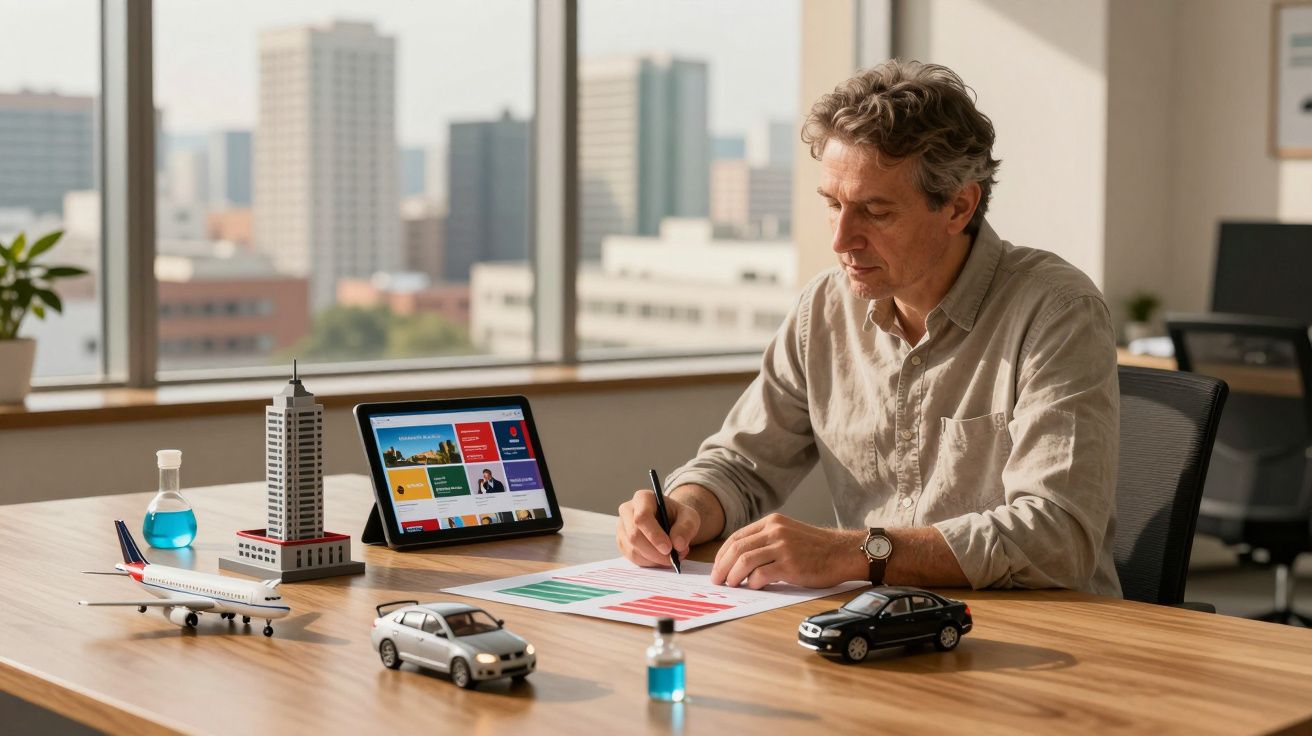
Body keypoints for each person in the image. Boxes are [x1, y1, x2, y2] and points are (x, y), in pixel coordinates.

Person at [616, 60, 1121, 597]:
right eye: (832, 206)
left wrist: (853, 553)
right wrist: (686, 507)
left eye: (874, 211)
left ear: (958, 205)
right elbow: (740, 465)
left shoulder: (1057, 310)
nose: (840, 239)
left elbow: (1056, 537)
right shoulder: (825, 309)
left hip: (1042, 640)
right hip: (876, 627)